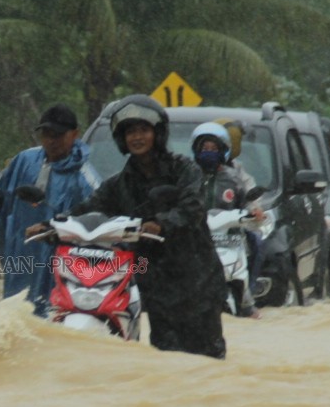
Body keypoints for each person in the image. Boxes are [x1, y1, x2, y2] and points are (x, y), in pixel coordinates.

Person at [65, 96, 228, 359]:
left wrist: (161, 224)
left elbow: (192, 208)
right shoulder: (119, 184)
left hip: (196, 279)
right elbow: (88, 208)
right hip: (154, 282)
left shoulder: (185, 170)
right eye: (130, 131)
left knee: (207, 359)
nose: (137, 137)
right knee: (164, 358)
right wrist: (54, 224)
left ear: (158, 133)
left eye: (143, 130)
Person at [0, 103, 98, 316]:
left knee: (53, 318)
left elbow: (98, 219)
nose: (51, 141)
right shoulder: (24, 161)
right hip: (20, 257)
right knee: (17, 315)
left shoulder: (84, 177)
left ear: (74, 134)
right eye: (46, 134)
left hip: (60, 265)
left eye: (57, 135)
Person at [191, 122, 265, 317]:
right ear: (196, 150)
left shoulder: (234, 178)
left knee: (256, 243)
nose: (209, 152)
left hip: (230, 237)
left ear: (222, 150)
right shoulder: (188, 175)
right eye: (205, 148)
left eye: (213, 148)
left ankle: (248, 295)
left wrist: (255, 211)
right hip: (195, 237)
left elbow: (249, 200)